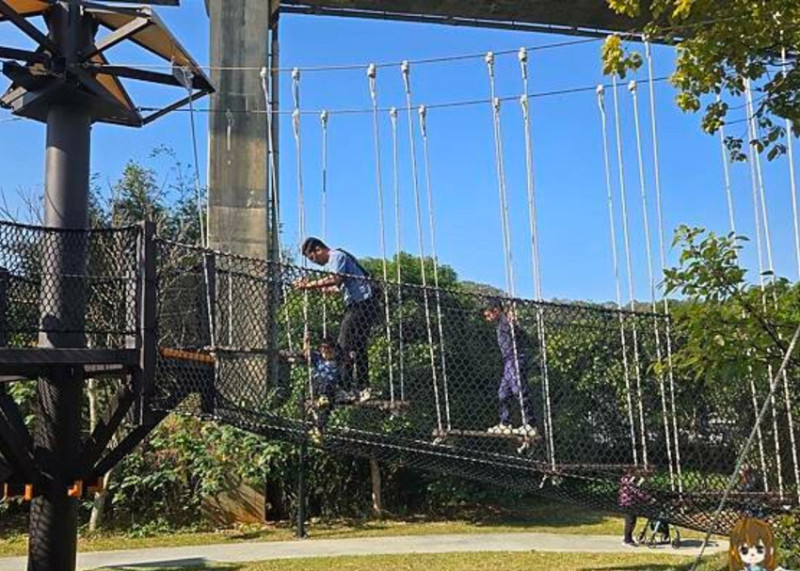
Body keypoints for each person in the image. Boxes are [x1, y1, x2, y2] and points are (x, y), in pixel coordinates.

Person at [294, 237, 380, 402]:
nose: (315, 262)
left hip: (362, 304)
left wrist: (310, 284)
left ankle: (345, 387)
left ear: (318, 249)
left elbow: (336, 279)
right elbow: (336, 288)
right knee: (359, 346)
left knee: (343, 343)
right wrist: (314, 288)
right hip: (363, 305)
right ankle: (363, 387)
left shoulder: (336, 256)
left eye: (313, 258)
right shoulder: (337, 260)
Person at [482, 298, 537, 437]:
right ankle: (505, 423)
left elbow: (519, 332)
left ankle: (530, 424)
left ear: (496, 311)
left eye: (488, 315)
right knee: (503, 393)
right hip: (508, 361)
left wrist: (514, 322)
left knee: (518, 389)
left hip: (515, 358)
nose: (487, 319)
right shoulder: (500, 323)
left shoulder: (506, 322)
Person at [618, 467, 651, 547]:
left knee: (632, 521)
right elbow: (635, 490)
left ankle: (629, 539)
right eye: (636, 472)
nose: (637, 474)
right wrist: (647, 498)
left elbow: (636, 488)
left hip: (632, 503)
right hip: (627, 503)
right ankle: (627, 540)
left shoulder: (630, 479)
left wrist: (641, 481)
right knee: (630, 521)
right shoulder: (626, 480)